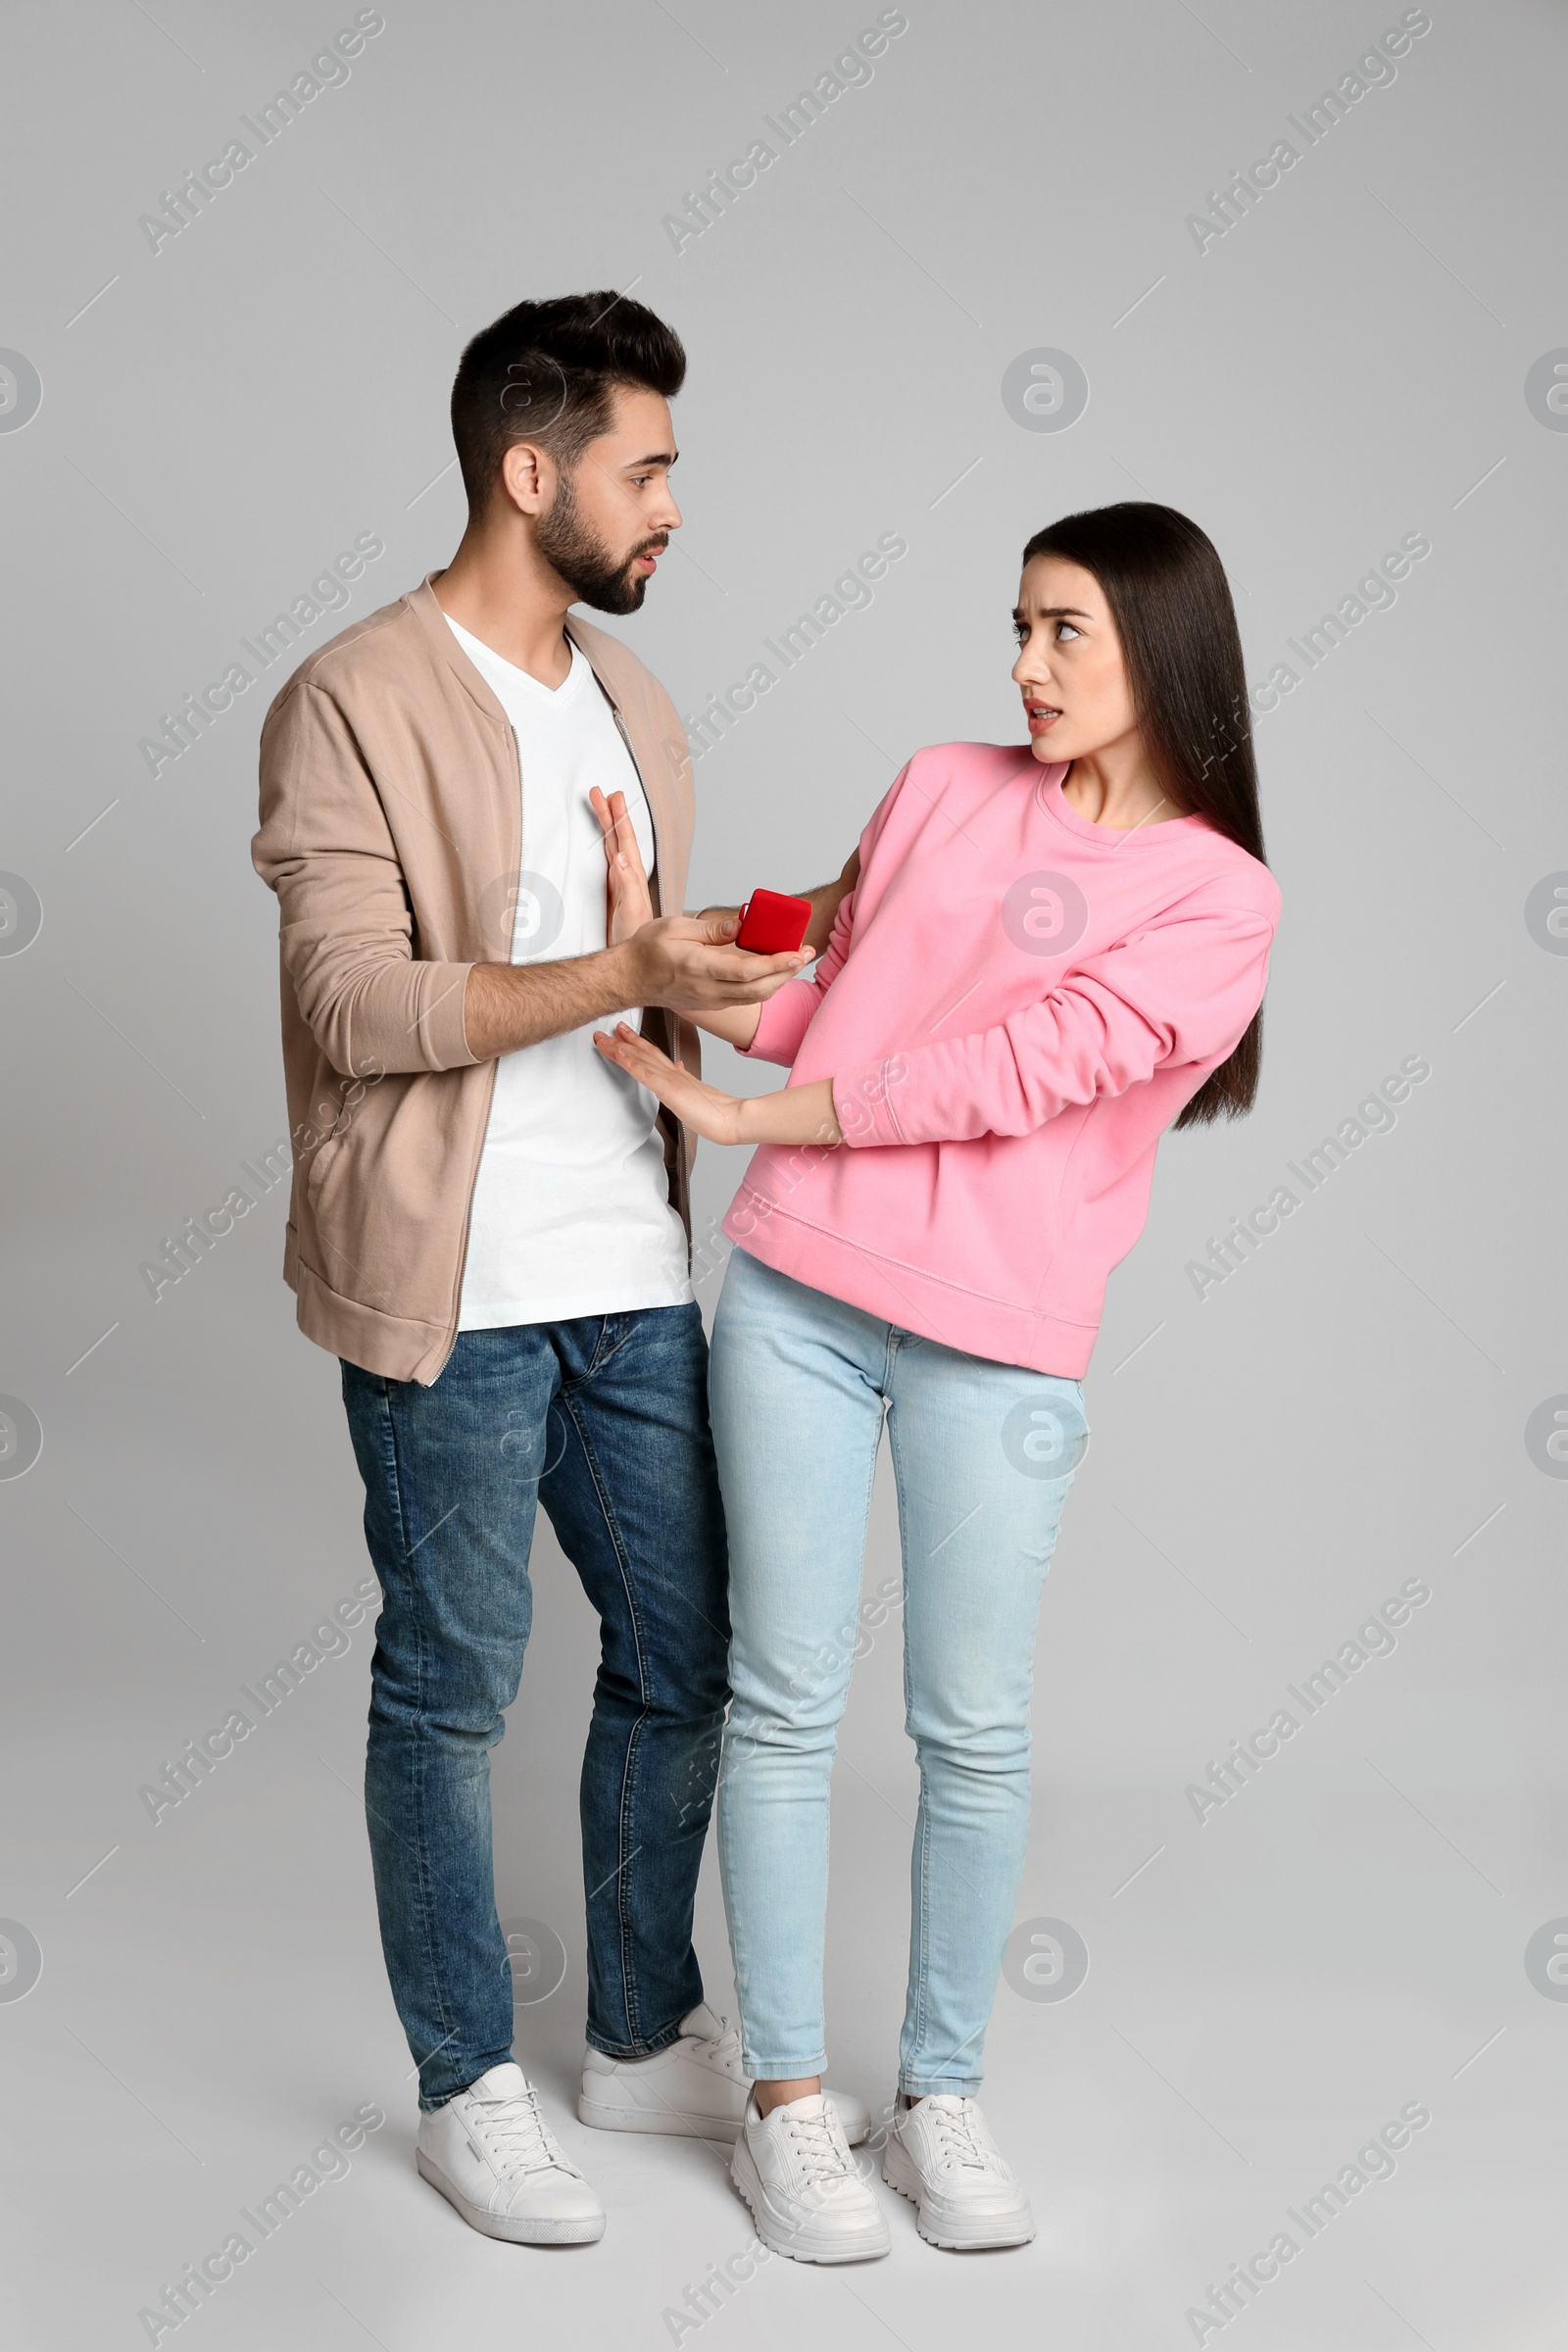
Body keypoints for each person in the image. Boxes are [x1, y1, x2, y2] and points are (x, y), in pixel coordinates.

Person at [594, 501, 1283, 2261]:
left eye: (1066, 633)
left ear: (1163, 652)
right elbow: (833, 995)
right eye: (1019, 626)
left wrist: (746, 1124)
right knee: (784, 1697)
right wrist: (654, 954)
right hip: (805, 1300)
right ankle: (787, 2111)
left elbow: (1008, 1072)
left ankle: (943, 2092)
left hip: (1000, 1336)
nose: (1024, 666)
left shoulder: (1220, 898)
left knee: (970, 1730)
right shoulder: (938, 785)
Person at [251, 292, 867, 2249]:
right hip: (450, 1290)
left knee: (686, 1656)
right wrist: (625, 966)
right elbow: (351, 1004)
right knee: (447, 1688)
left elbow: (632, 964)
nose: (675, 505)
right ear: (534, 474)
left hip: (625, 1273)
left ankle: (628, 2025)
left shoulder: (633, 703)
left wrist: (751, 942)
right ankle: (462, 2082)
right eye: (647, 467)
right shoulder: (348, 696)